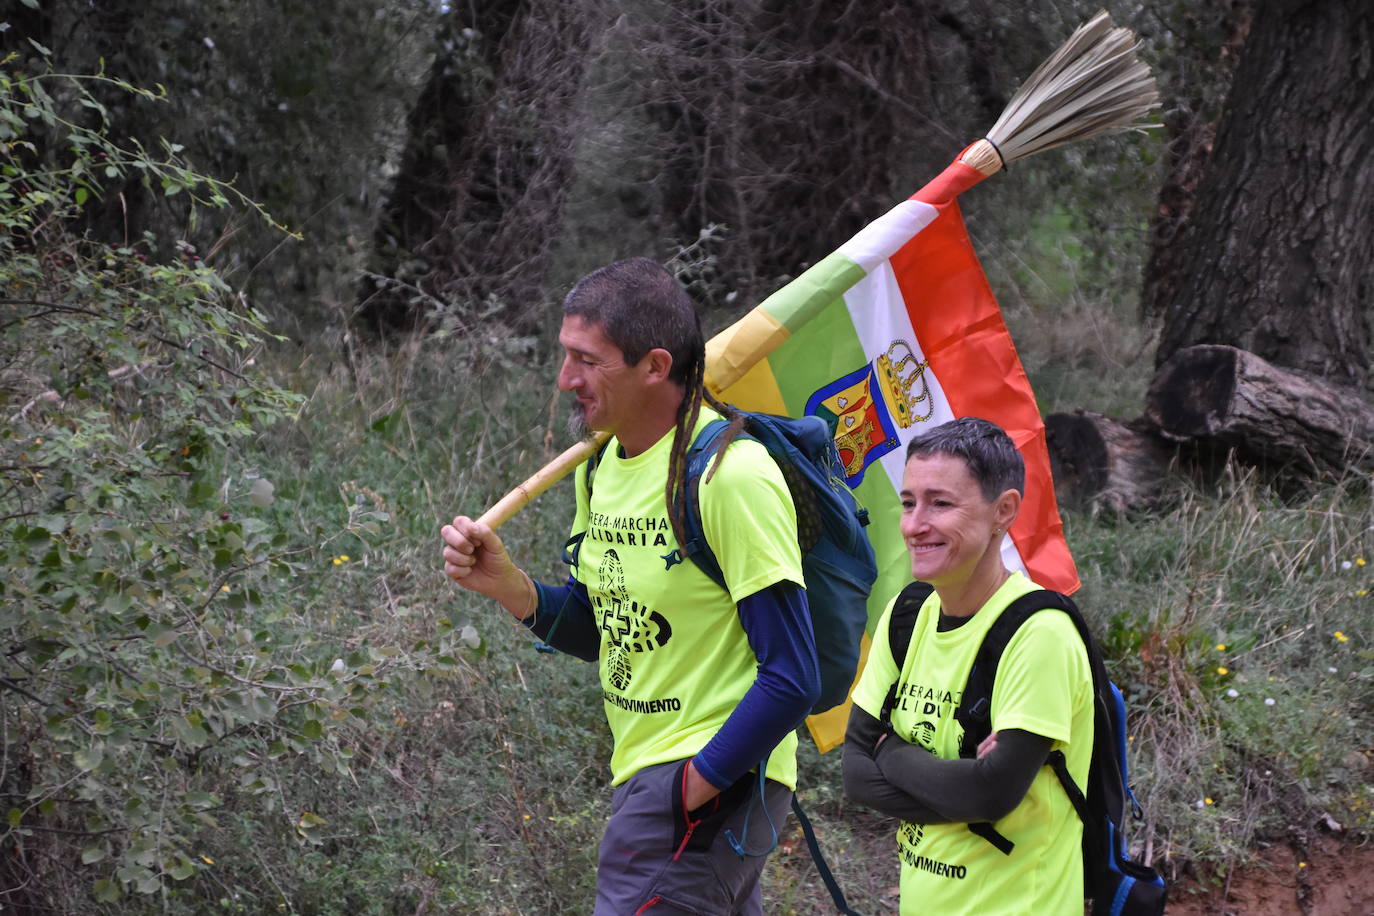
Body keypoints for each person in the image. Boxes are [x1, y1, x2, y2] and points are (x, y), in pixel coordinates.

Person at [440, 257, 820, 915]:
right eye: (566, 357)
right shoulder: (601, 466)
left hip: (702, 783)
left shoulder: (730, 478)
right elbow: (601, 629)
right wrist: (509, 586)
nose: (566, 381)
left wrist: (691, 787)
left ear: (654, 366)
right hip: (653, 777)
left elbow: (793, 673)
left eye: (588, 361)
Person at [842, 416, 1093, 914]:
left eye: (941, 503)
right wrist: (958, 784)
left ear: (1004, 511)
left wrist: (890, 753)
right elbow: (854, 774)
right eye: (909, 502)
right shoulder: (907, 615)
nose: (915, 525)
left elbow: (989, 794)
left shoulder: (1039, 634)